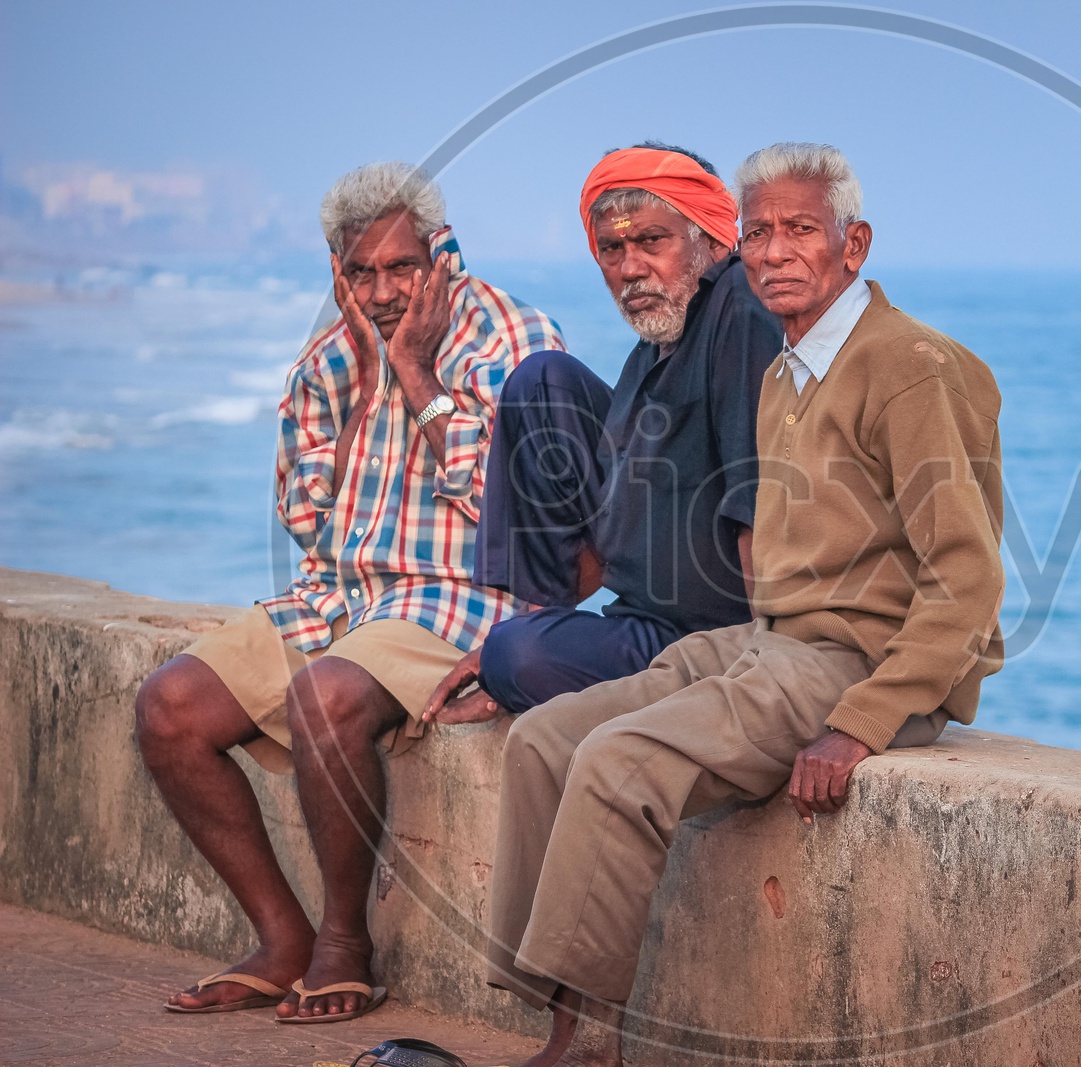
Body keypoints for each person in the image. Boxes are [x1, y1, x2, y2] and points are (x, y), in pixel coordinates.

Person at [485, 142, 1006, 1067]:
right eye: (759, 230)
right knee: (543, 741)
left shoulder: (912, 365)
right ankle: (554, 1018)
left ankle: (589, 1045)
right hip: (764, 644)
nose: (772, 252)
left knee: (617, 759)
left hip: (853, 667)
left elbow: (968, 578)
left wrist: (861, 723)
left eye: (800, 229)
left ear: (855, 245)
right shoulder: (787, 372)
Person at [134, 162, 564, 1023]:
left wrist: (415, 375)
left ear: (442, 256)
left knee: (321, 697)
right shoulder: (332, 356)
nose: (381, 291)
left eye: (400, 267)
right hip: (338, 600)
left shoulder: (512, 339)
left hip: (452, 603)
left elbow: (510, 518)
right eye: (359, 272)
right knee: (169, 708)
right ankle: (281, 936)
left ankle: (343, 943)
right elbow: (303, 514)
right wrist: (366, 376)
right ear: (337, 270)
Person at [423, 143, 780, 725]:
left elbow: (758, 500)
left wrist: (774, 668)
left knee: (515, 655)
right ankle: (537, 625)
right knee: (544, 381)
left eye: (650, 241)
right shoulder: (657, 341)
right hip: (645, 614)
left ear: (712, 238)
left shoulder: (738, 306)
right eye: (612, 248)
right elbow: (619, 512)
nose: (630, 268)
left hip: (719, 639)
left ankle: (529, 645)